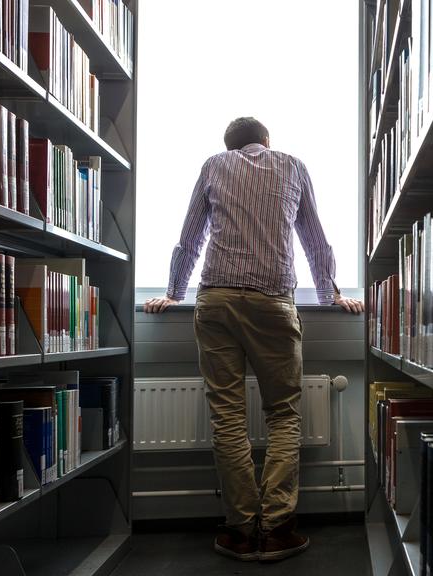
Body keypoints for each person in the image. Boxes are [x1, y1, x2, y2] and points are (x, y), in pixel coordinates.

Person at [144, 117, 363, 562]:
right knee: (284, 414)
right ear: (266, 140)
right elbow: (315, 241)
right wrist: (330, 295)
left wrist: (172, 293)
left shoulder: (213, 165)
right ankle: (278, 528)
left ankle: (242, 531)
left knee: (228, 418)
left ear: (229, 146)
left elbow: (189, 238)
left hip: (217, 301)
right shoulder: (293, 166)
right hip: (273, 304)